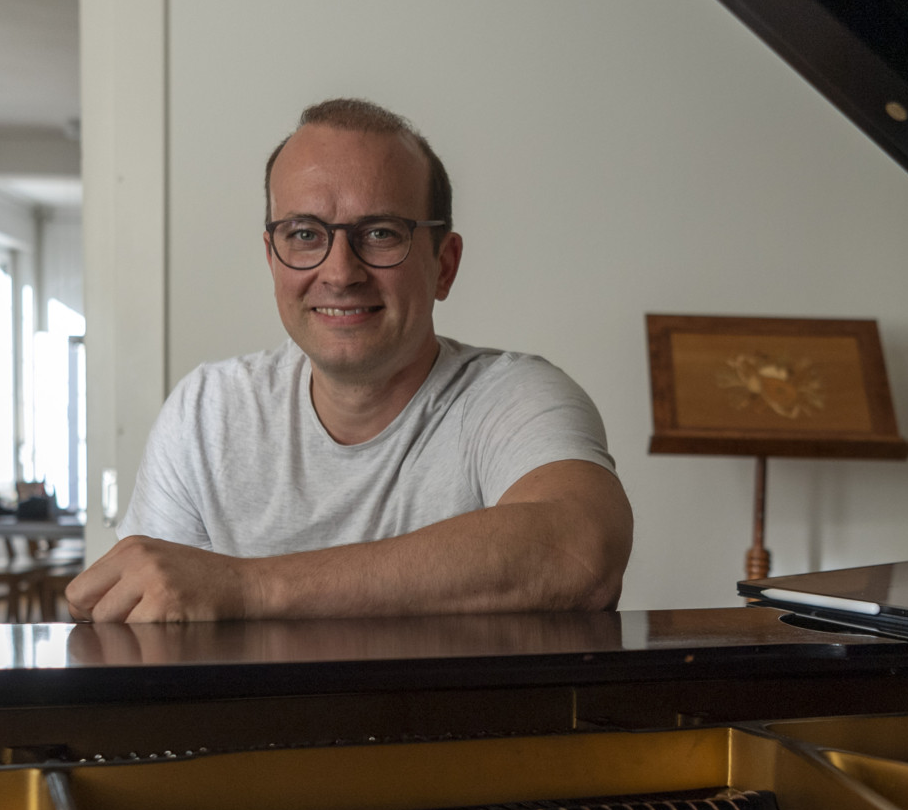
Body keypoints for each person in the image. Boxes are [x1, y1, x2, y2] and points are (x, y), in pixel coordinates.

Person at [67, 98, 633, 623]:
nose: (340, 272)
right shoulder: (205, 413)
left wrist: (250, 588)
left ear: (444, 265)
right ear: (272, 259)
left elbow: (581, 552)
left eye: (381, 233)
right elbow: (151, 630)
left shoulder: (515, 396)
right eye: (305, 234)